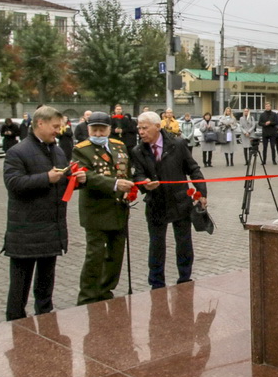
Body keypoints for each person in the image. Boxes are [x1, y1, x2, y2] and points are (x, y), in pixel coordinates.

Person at [3, 106, 80, 321]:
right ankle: (15, 322)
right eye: (55, 126)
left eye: (61, 126)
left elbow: (61, 181)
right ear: (40, 123)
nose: (59, 130)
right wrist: (46, 177)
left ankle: (45, 317)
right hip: (25, 232)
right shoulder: (17, 151)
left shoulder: (56, 150)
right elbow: (13, 183)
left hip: (51, 229)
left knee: (46, 283)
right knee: (19, 286)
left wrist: (75, 180)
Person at [130, 111, 208, 289]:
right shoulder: (138, 150)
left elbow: (193, 169)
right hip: (155, 203)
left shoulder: (178, 144)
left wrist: (202, 192)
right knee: (156, 245)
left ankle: (185, 278)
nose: (141, 132)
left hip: (180, 201)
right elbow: (138, 175)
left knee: (184, 242)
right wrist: (144, 183)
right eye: (139, 128)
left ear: (157, 127)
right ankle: (156, 283)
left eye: (144, 127)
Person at [73, 111, 134, 305]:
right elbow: (86, 176)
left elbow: (126, 172)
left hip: (118, 209)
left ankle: (106, 290)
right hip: (96, 210)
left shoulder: (119, 146)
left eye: (102, 129)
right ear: (88, 129)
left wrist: (129, 189)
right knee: (95, 256)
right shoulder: (81, 150)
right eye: (94, 129)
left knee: (115, 255)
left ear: (109, 130)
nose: (98, 133)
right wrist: (115, 185)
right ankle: (88, 296)